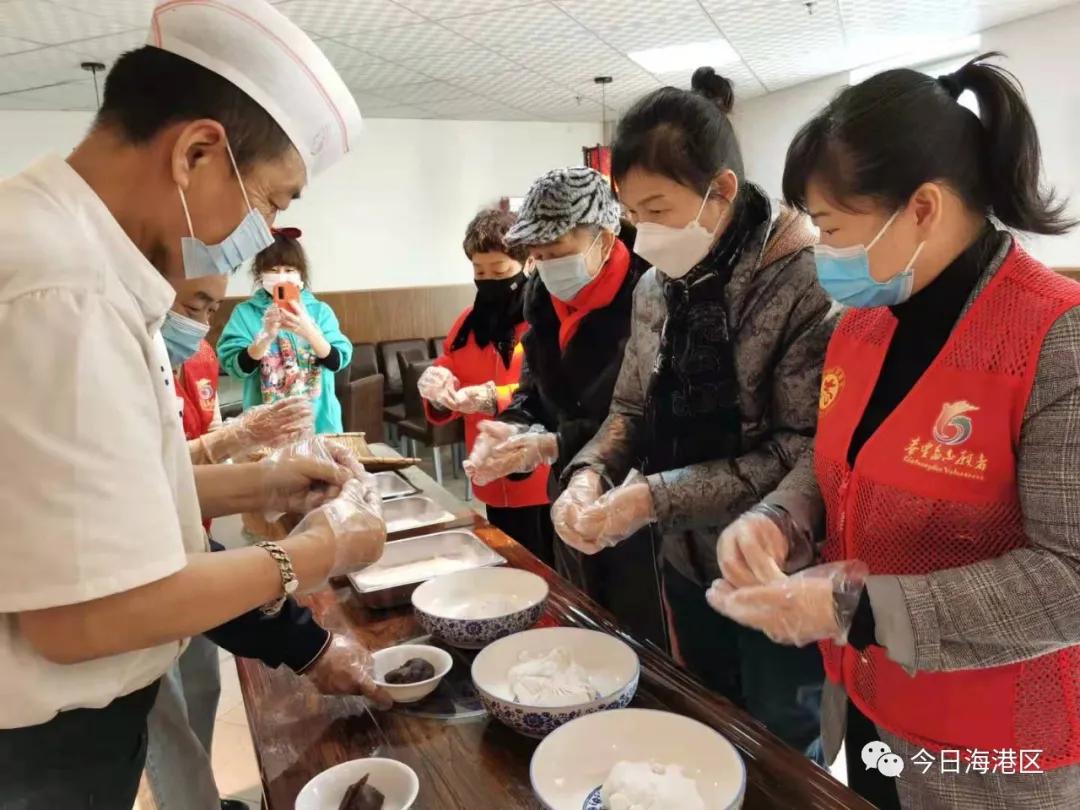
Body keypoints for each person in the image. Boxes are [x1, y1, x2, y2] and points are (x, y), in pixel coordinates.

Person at [0, 3, 387, 807]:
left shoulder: (81, 255)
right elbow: (80, 617)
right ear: (198, 153)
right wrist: (317, 552)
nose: (265, 233)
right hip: (39, 747)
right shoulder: (61, 286)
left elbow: (105, 498)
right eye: (272, 202)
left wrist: (263, 482)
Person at [709, 54, 1080, 809]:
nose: (823, 249)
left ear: (922, 209)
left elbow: (1068, 579)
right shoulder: (861, 326)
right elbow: (840, 461)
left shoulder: (1052, 339)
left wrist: (854, 607)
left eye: (834, 226)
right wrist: (779, 519)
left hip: (998, 750)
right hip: (873, 708)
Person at [552, 68, 837, 754]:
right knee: (709, 715)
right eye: (633, 215)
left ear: (722, 192)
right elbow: (630, 406)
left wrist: (650, 498)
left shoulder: (803, 282)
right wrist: (589, 474)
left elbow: (802, 450)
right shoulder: (656, 287)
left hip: (776, 564)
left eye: (658, 208)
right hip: (683, 558)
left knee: (781, 736)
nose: (644, 233)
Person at [152, 274, 385, 810]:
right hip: (56, 701)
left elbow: (161, 487)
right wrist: (311, 554)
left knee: (198, 690)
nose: (199, 323)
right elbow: (146, 551)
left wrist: (271, 483)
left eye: (210, 308)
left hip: (185, 561)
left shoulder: (169, 352)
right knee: (158, 724)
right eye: (194, 305)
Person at [463, 167, 662, 644]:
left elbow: (646, 416)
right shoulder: (543, 298)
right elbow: (535, 391)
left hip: (633, 501)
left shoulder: (651, 295)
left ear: (605, 237)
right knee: (580, 620)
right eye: (537, 257)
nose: (547, 267)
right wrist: (513, 427)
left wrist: (554, 443)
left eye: (558, 254)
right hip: (567, 495)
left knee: (639, 638)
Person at [417, 208, 553, 563]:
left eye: (499, 271)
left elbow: (550, 388)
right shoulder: (467, 323)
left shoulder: (546, 317)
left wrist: (493, 398)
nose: (487, 279)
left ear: (526, 265)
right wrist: (438, 385)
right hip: (490, 474)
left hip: (540, 475)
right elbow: (450, 366)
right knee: (508, 562)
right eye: (479, 271)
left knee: (549, 571)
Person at [217, 227, 352, 434]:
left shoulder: (319, 311)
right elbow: (236, 367)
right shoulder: (245, 313)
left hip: (320, 426)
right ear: (260, 275)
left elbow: (337, 361)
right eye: (273, 270)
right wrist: (264, 338)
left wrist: (309, 330)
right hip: (264, 429)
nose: (281, 277)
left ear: (300, 276)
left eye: (289, 270)